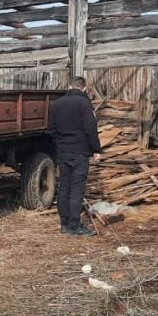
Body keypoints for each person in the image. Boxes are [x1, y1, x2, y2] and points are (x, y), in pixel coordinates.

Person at [47, 76, 103, 236]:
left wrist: (60, 145)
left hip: (63, 151)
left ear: (69, 85)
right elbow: (90, 128)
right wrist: (96, 149)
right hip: (80, 151)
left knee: (64, 187)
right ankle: (74, 225)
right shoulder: (84, 103)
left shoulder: (57, 104)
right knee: (77, 189)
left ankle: (64, 224)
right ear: (84, 88)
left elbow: (52, 128)